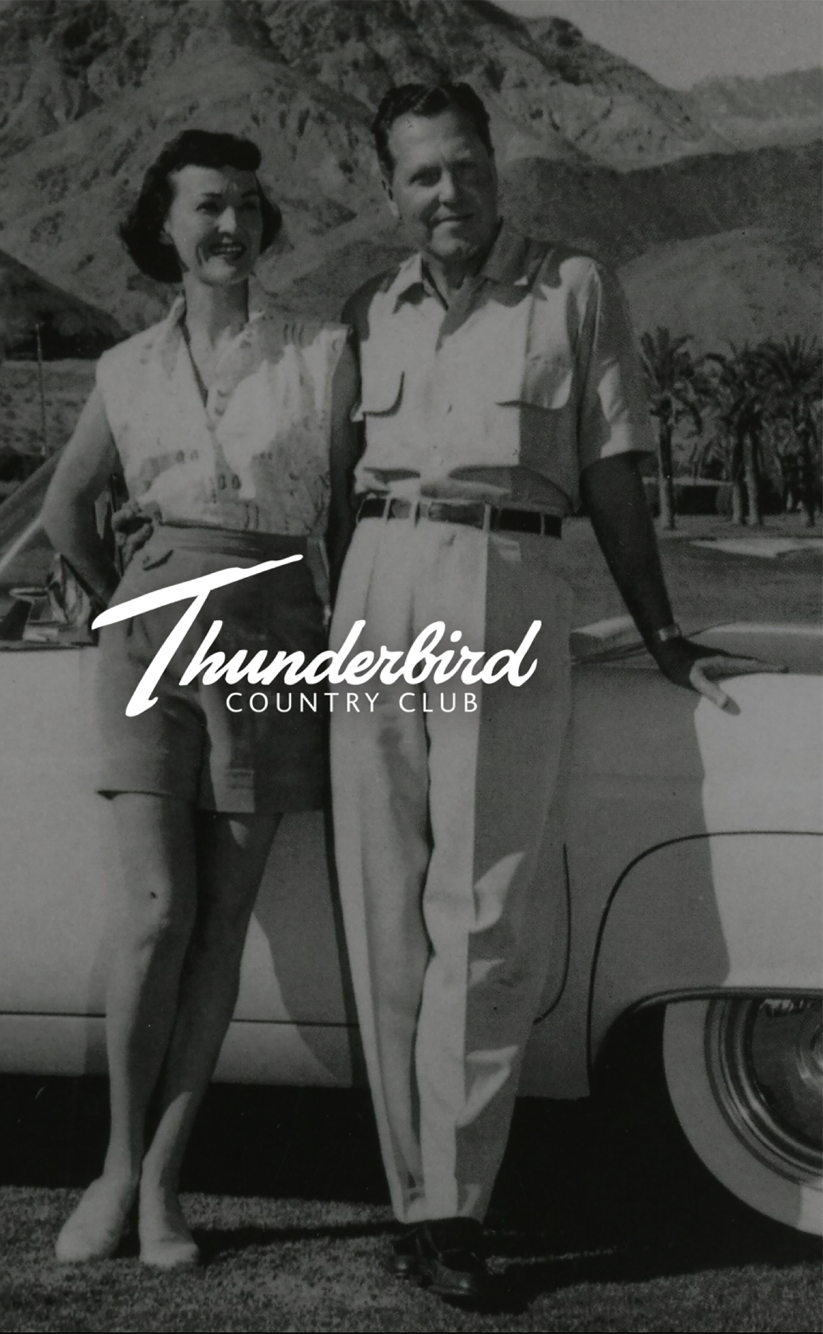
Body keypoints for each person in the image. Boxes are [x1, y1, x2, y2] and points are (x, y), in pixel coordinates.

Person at [328, 81, 778, 1307]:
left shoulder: (572, 286)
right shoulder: (365, 306)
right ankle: (410, 1192)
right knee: (381, 902)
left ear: (496, 164)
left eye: (465, 166)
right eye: (422, 174)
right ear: (390, 189)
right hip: (374, 583)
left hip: (504, 574)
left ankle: (453, 1205)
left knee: (484, 905)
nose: (448, 192)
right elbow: (332, 488)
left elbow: (614, 463)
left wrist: (662, 630)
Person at [41, 129, 355, 1269]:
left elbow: (343, 521)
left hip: (274, 639)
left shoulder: (322, 353)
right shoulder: (124, 367)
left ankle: (167, 1184)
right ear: (165, 229)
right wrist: (107, 598)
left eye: (249, 206)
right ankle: (115, 1169)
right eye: (210, 206)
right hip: (148, 644)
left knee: (220, 922)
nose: (233, 225)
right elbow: (66, 506)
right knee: (155, 912)